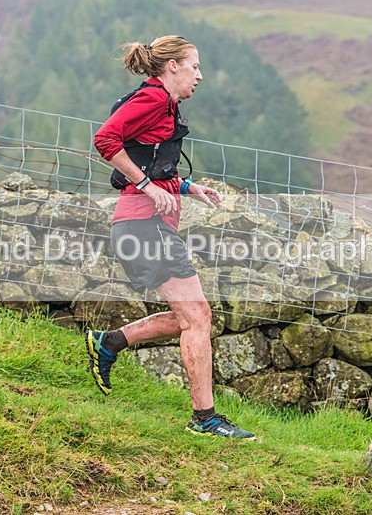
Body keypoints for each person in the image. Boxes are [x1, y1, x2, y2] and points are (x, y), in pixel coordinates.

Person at [86, 35, 256, 440]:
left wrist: (186, 188)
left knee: (189, 317)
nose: (200, 75)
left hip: (145, 226)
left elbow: (151, 159)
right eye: (194, 66)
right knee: (198, 318)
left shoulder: (165, 103)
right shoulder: (153, 99)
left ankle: (107, 343)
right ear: (173, 67)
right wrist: (147, 186)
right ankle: (206, 419)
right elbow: (104, 140)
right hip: (142, 225)